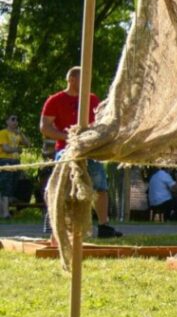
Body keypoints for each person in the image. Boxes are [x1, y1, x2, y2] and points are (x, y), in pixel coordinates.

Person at [40, 66, 121, 239]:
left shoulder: (92, 99)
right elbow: (45, 127)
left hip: (90, 150)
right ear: (72, 80)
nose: (87, 83)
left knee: (100, 185)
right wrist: (68, 137)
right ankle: (56, 225)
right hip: (65, 149)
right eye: (82, 79)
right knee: (61, 186)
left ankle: (103, 225)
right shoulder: (55, 100)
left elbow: (101, 122)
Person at [0, 113, 25, 218]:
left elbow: (28, 143)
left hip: (15, 162)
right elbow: (6, 149)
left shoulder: (17, 134)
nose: (15, 122)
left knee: (12, 186)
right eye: (13, 119)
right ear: (7, 122)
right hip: (5, 161)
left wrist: (21, 134)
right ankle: (5, 212)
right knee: (5, 186)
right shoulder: (3, 133)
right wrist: (17, 149)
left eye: (16, 120)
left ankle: (4, 211)